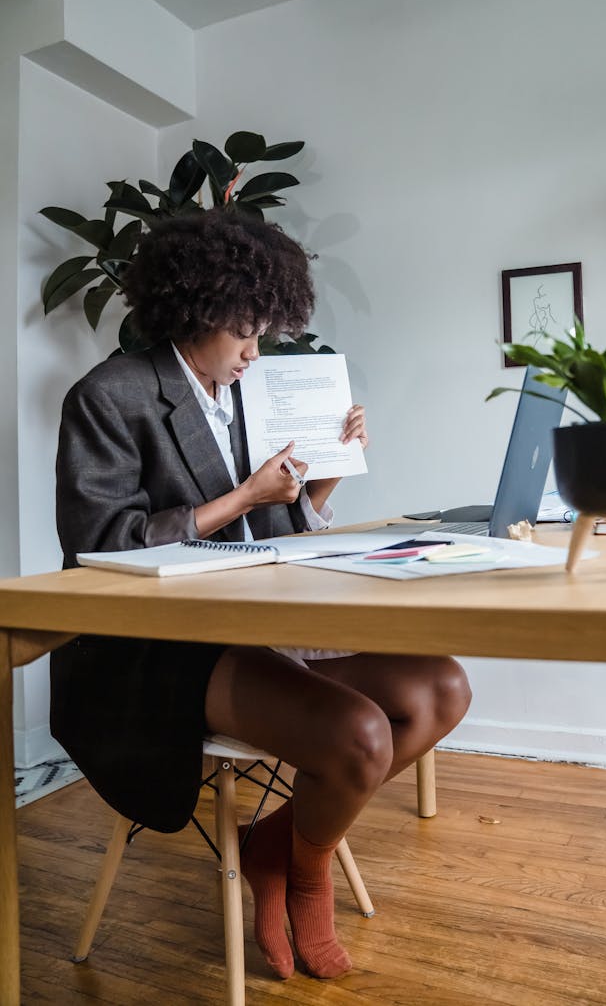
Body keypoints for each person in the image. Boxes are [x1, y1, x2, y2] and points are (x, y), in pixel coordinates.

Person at [51, 208, 471, 981]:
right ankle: (307, 875)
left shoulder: (251, 394)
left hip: (266, 620)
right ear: (192, 307)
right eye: (242, 328)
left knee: (442, 685)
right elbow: (99, 547)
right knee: (362, 737)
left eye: (265, 327)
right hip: (164, 652)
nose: (255, 348)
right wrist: (241, 496)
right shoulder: (109, 396)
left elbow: (280, 530)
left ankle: (274, 848)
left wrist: (328, 473)